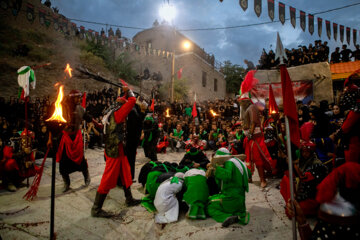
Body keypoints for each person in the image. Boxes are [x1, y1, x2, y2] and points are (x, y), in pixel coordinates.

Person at [91, 86, 140, 218]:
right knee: (107, 179)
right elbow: (132, 101)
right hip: (114, 150)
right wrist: (129, 91)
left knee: (125, 172)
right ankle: (96, 209)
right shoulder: (118, 114)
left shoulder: (111, 112)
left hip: (117, 148)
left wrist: (125, 92)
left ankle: (129, 198)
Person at [56, 90, 91, 192]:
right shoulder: (62, 108)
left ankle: (86, 176)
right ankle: (66, 183)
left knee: (81, 159)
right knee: (63, 162)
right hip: (66, 138)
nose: (79, 99)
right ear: (72, 98)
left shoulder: (80, 108)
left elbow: (88, 118)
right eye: (77, 97)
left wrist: (96, 121)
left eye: (80, 97)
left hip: (76, 138)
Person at [207, 148, 251, 227]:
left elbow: (227, 176)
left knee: (209, 205)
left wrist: (216, 167)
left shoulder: (229, 163)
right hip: (240, 200)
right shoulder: (239, 162)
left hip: (231, 198)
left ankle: (227, 217)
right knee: (212, 198)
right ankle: (235, 212)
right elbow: (249, 174)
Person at [239, 95, 275, 188]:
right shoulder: (245, 109)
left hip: (255, 138)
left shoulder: (252, 107)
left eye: (241, 102)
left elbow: (253, 122)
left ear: (246, 101)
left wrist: (250, 133)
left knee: (258, 159)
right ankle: (249, 177)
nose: (240, 104)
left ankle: (262, 179)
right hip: (249, 138)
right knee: (249, 159)